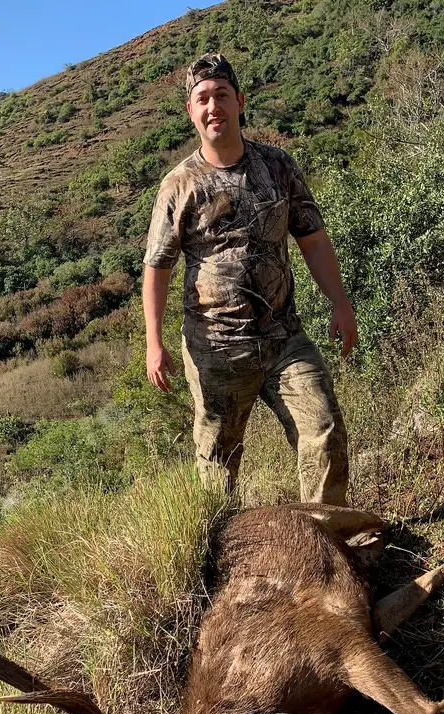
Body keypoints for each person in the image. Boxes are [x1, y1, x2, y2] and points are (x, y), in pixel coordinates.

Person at [140, 53, 358, 505]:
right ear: (191, 111)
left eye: (221, 95)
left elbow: (312, 238)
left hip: (284, 336)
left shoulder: (278, 166)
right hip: (215, 348)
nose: (212, 106)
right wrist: (154, 343)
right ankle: (219, 561)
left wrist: (340, 301)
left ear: (239, 101)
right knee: (217, 466)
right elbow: (157, 268)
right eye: (202, 98)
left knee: (324, 432)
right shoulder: (179, 186)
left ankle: (326, 545)